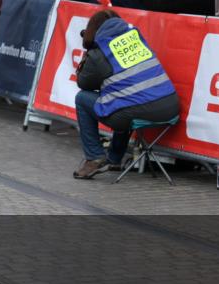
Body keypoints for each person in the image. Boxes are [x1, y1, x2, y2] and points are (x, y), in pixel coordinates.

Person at [72, 9, 180, 179]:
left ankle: (94, 157)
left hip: (137, 110)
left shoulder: (100, 53)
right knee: (122, 99)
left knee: (82, 99)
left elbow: (83, 83)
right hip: (170, 107)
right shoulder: (136, 39)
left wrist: (89, 54)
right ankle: (114, 159)